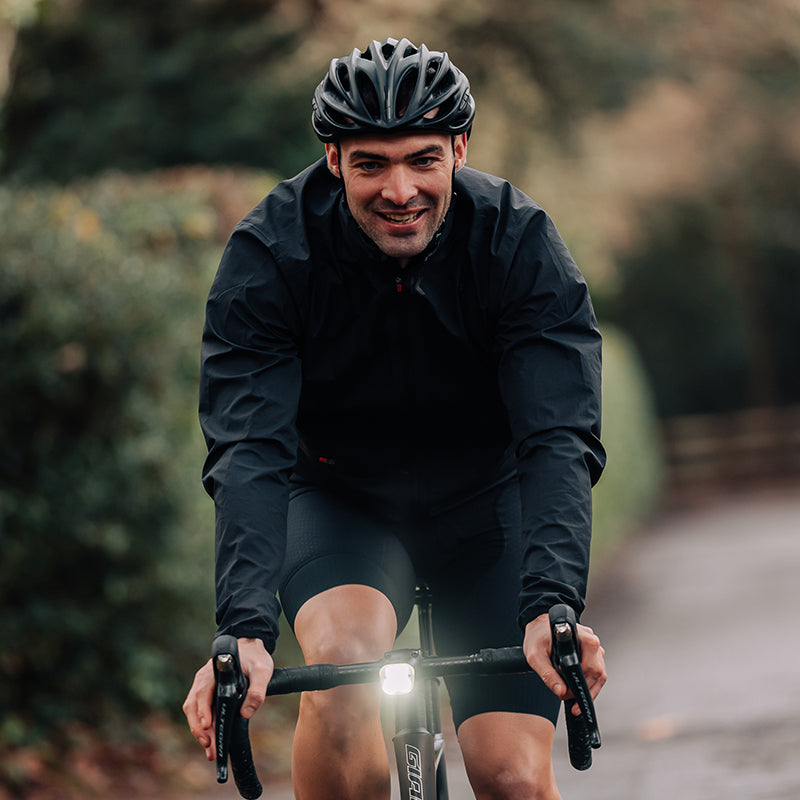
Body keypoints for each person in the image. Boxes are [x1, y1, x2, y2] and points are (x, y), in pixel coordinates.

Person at [184, 37, 607, 800]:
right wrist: (243, 630)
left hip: (487, 507)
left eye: (423, 159)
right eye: (371, 164)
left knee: (511, 775)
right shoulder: (272, 254)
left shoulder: (516, 243)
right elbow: (249, 447)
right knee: (343, 668)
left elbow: (557, 436)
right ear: (333, 159)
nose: (400, 189)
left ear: (460, 150)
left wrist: (553, 604)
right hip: (341, 506)